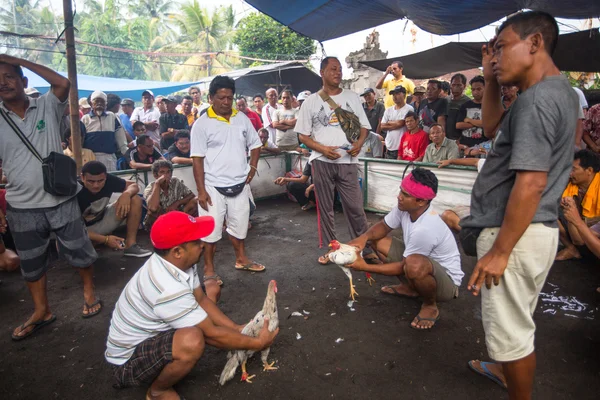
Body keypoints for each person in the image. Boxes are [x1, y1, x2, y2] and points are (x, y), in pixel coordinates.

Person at [460, 12, 578, 399]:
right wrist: (491, 79)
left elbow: (531, 182)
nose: (494, 57)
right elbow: (492, 128)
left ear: (534, 43)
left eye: (500, 47)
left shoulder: (538, 100)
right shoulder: (551, 92)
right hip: (530, 233)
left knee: (514, 337)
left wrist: (500, 249)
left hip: (516, 235)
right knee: (517, 321)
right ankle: (504, 369)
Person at [105, 211, 279, 400]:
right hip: (127, 362)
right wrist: (259, 343)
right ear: (177, 251)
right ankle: (157, 391)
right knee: (192, 339)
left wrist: (238, 329)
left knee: (205, 308)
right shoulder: (168, 287)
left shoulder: (178, 264)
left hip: (151, 338)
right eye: (196, 242)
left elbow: (201, 299)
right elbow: (211, 335)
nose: (202, 245)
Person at [0, 55, 101, 339]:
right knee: (31, 262)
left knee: (79, 249)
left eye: (8, 76)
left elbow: (62, 82)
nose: (2, 83)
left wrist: (9, 58)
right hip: (21, 205)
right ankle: (41, 310)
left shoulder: (46, 105)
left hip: (60, 199)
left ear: (23, 81)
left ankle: (89, 292)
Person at [346, 168, 463, 330]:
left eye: (406, 195)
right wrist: (363, 238)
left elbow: (404, 266)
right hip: (421, 262)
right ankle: (410, 288)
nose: (399, 196)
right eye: (401, 190)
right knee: (376, 239)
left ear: (421, 201)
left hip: (447, 283)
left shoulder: (426, 228)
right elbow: (384, 225)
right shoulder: (406, 208)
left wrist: (365, 267)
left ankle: (430, 305)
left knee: (414, 265)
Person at [296, 57, 379, 265]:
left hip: (348, 161)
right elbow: (303, 137)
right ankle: (331, 250)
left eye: (340, 69)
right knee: (325, 208)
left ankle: (363, 247)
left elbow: (364, 128)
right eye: (333, 69)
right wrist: (323, 149)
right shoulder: (311, 102)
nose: (338, 73)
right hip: (321, 162)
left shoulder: (352, 97)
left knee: (355, 207)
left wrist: (359, 143)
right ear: (322, 72)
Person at [191, 75, 265, 295]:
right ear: (211, 97)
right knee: (210, 232)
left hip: (240, 184)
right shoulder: (201, 124)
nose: (226, 102)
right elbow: (197, 159)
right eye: (221, 98)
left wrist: (252, 168)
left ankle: (241, 259)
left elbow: (256, 144)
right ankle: (209, 269)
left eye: (229, 98)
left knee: (240, 226)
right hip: (213, 186)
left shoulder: (241, 118)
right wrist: (201, 191)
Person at [78, 161, 152, 257]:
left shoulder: (109, 180)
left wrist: (126, 194)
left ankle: (130, 245)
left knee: (135, 199)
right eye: (91, 181)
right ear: (82, 177)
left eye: (100, 181)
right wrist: (106, 240)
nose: (96, 185)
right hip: (81, 231)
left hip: (101, 220)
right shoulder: (74, 190)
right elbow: (72, 230)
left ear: (105, 177)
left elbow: (134, 185)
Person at [555, 149, 600, 261]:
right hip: (580, 230)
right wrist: (571, 211)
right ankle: (572, 249)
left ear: (589, 170)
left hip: (590, 233)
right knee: (545, 208)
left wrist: (574, 215)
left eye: (574, 169)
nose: (570, 173)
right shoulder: (570, 183)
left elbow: (579, 240)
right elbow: (577, 239)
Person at [81, 90, 128, 171]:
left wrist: (127, 155)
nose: (99, 104)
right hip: (90, 158)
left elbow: (121, 138)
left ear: (106, 104)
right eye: (96, 101)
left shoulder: (112, 117)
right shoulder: (85, 119)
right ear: (91, 104)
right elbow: (80, 139)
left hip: (109, 158)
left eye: (102, 101)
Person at [437, 157, 487, 232]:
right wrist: (451, 161)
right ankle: (468, 235)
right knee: (447, 215)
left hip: (493, 213)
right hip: (476, 207)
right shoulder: (491, 165)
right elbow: (475, 161)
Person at [144, 160, 197, 230]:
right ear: (155, 175)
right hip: (160, 220)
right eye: (162, 172)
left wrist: (177, 203)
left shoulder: (175, 181)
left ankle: (185, 227)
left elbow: (191, 195)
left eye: (168, 172)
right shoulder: (150, 187)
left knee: (197, 200)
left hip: (176, 215)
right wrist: (157, 184)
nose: (166, 175)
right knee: (152, 212)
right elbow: (153, 208)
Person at [380, 86, 413, 159]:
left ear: (404, 95)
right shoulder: (388, 110)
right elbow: (382, 126)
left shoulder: (409, 109)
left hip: (402, 147)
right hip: (389, 147)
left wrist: (389, 122)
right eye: (393, 94)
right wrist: (396, 123)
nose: (395, 96)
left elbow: (401, 124)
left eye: (397, 94)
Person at [456, 76, 486, 152]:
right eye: (473, 89)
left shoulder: (490, 106)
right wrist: (479, 123)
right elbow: (458, 125)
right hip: (465, 146)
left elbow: (489, 124)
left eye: (479, 89)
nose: (475, 92)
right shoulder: (465, 105)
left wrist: (469, 120)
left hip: (483, 147)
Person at [445, 74, 471, 141]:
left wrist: (460, 140)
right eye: (453, 85)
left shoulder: (468, 102)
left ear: (464, 86)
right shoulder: (445, 100)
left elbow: (468, 124)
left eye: (459, 85)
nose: (455, 88)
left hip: (458, 140)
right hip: (445, 139)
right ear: (450, 86)